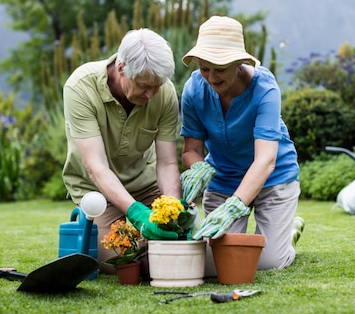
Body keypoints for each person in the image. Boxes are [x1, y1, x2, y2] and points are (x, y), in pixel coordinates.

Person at [180, 15, 305, 273]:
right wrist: (199, 168)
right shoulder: (193, 89)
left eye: (220, 69)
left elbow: (266, 159)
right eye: (205, 68)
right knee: (215, 264)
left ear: (239, 63)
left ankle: (287, 234)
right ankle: (272, 236)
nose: (211, 77)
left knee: (268, 263)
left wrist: (236, 206)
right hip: (225, 180)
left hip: (274, 178)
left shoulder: (264, 89)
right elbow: (192, 149)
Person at [62, 28, 182, 274]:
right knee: (120, 260)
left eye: (157, 86)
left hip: (146, 183)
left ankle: (156, 246)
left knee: (177, 243)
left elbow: (167, 163)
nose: (151, 95)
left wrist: (172, 208)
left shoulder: (165, 92)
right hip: (98, 191)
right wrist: (137, 213)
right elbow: (96, 167)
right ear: (121, 67)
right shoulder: (80, 87)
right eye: (144, 86)